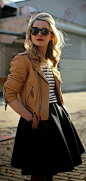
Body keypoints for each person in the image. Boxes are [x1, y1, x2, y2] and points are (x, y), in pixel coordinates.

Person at [3, 12, 85, 181]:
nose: (39, 34)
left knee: (51, 171)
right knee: (39, 173)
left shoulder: (50, 60)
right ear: (30, 35)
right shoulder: (23, 60)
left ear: (51, 35)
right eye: (34, 30)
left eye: (44, 31)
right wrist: (30, 117)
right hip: (37, 120)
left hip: (56, 117)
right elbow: (9, 93)